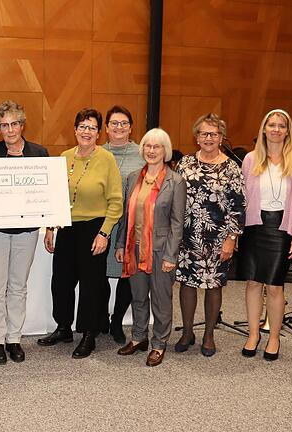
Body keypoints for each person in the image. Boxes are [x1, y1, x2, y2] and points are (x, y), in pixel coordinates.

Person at [37, 107, 123, 358]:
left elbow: (116, 201)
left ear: (99, 132)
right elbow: (54, 197)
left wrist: (104, 233)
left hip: (93, 228)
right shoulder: (63, 157)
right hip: (66, 226)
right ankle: (63, 326)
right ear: (75, 130)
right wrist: (51, 227)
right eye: (82, 127)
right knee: (61, 281)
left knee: (90, 284)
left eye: (92, 127)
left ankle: (88, 333)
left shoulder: (106, 159)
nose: (87, 132)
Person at [0, 100, 49, 364]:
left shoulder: (39, 153)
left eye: (14, 124)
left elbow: (47, 192)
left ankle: (14, 339)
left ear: (22, 124)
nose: (10, 130)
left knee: (18, 286)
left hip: (27, 230)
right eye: (4, 125)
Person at [240, 109, 292, 361]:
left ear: (287, 131)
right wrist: (236, 231)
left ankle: (273, 337)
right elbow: (242, 199)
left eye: (282, 125)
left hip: (281, 228)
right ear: (264, 129)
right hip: (253, 227)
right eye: (272, 125)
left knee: (275, 286)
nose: (276, 129)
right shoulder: (250, 159)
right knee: (252, 283)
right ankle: (253, 334)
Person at [175, 113, 245, 357]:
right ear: (196, 137)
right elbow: (174, 199)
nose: (208, 138)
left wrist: (231, 239)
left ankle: (208, 334)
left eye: (214, 134)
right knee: (186, 283)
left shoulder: (231, 167)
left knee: (213, 285)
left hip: (218, 238)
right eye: (204, 133)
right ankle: (186, 332)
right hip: (186, 235)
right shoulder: (184, 163)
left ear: (221, 137)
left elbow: (238, 206)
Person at [115, 128, 185, 367]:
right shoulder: (134, 176)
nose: (152, 151)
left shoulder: (176, 181)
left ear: (165, 151)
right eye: (148, 146)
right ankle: (138, 338)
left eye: (157, 147)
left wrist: (170, 256)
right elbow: (127, 216)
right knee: (138, 297)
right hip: (134, 248)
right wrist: (120, 245)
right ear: (142, 148)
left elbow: (177, 223)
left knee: (161, 299)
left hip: (160, 251)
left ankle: (159, 344)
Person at [100, 105, 145, 344]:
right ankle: (102, 318)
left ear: (130, 127)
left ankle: (117, 321)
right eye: (114, 123)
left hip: (131, 226)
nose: (119, 127)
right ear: (105, 128)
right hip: (103, 225)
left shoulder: (142, 154)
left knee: (126, 275)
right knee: (101, 275)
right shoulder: (97, 153)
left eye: (124, 123)